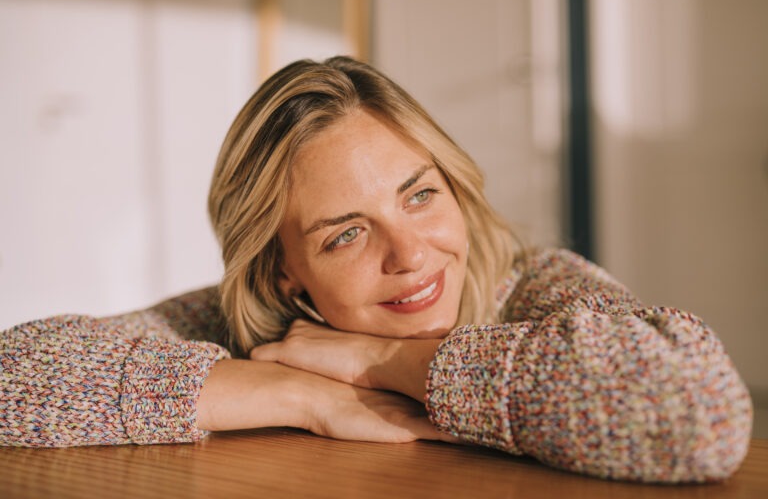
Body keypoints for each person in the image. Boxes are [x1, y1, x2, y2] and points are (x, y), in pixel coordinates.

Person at [0, 56, 752, 483]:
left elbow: (702, 415)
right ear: (285, 271)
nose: (412, 254)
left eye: (420, 195)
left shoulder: (531, 285)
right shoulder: (266, 328)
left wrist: (379, 357)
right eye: (345, 235)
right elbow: (13, 375)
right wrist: (298, 395)